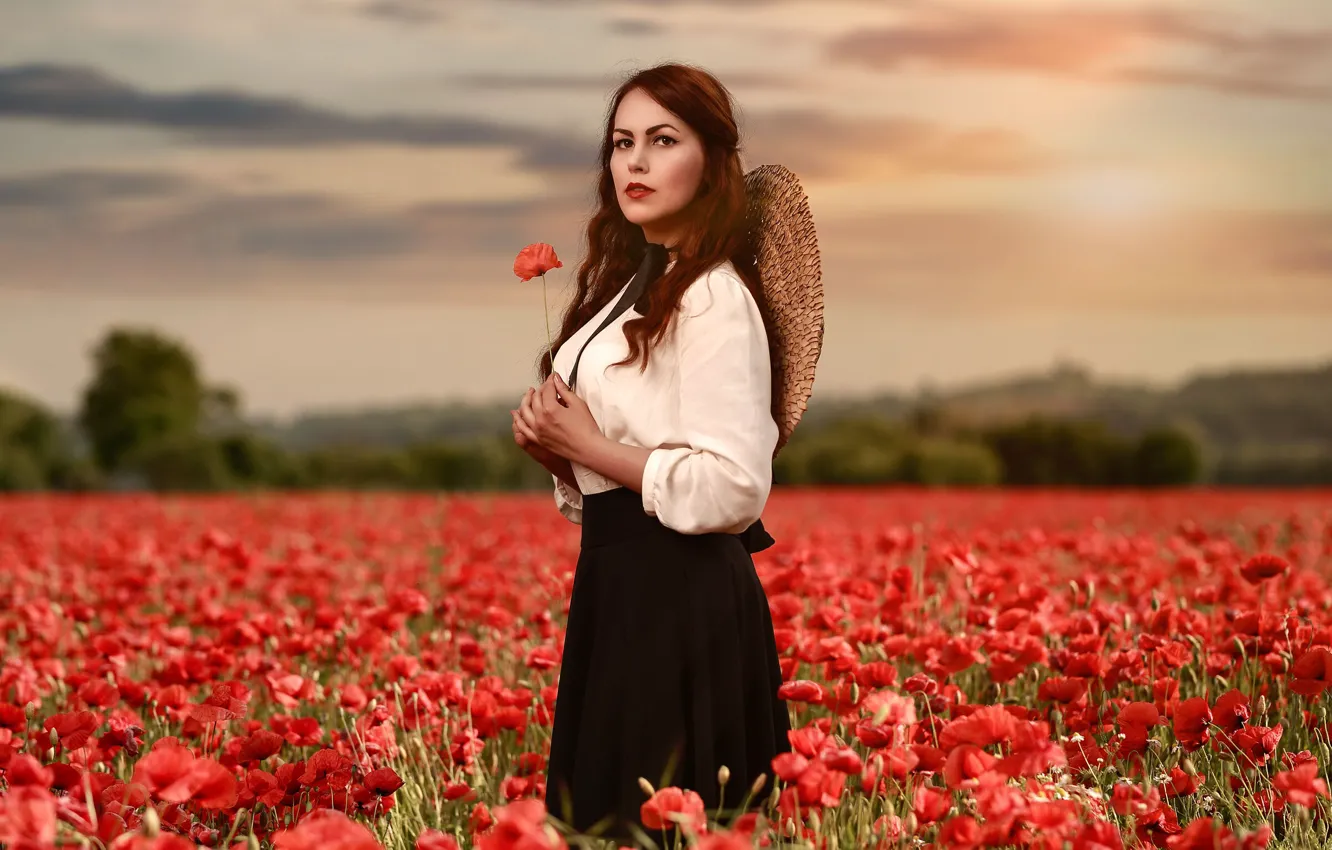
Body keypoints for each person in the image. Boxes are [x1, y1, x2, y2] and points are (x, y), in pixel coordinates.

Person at [510, 62, 822, 843]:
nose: (635, 163)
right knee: (611, 822)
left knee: (662, 824)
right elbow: (625, 464)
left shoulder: (714, 295)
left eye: (661, 140)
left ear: (710, 163)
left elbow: (734, 489)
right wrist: (560, 454)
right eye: (621, 144)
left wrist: (592, 445)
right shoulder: (637, 285)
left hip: (683, 604)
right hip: (620, 588)